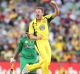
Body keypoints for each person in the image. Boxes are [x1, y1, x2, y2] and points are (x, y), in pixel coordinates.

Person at [24, 1, 59, 74]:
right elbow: (30, 36)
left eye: (39, 12)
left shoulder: (46, 19)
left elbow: (56, 13)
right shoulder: (32, 23)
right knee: (45, 60)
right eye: (36, 12)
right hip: (39, 43)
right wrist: (37, 38)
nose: (37, 13)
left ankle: (29, 67)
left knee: (47, 62)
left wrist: (55, 6)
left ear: (42, 13)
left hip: (46, 42)